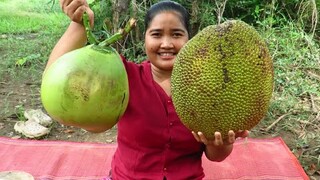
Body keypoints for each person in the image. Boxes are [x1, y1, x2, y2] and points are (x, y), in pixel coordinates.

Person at [47, 0, 249, 179]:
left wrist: (219, 143)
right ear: (145, 39)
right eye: (156, 34)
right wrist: (78, 25)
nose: (167, 43)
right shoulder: (123, 76)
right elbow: (59, 79)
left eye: (177, 34)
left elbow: (216, 157)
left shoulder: (210, 88)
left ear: (189, 40)